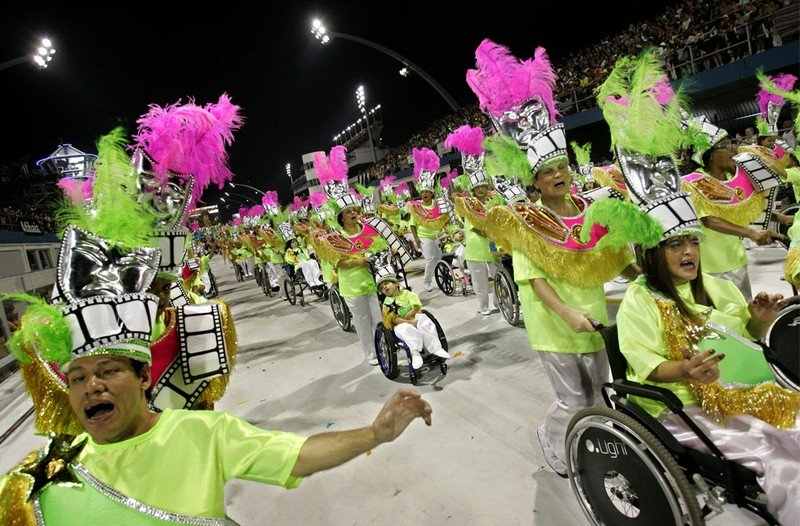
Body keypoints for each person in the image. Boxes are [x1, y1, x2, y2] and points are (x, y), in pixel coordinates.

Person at [0, 349, 432, 523]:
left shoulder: (203, 432)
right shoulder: (46, 476)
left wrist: (376, 433)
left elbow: (298, 455)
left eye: (108, 371)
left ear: (144, 377)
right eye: (77, 379)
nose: (91, 386)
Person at [468, 41, 639, 477]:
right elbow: (533, 280)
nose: (559, 175)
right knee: (573, 399)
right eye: (548, 172)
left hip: (593, 315)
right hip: (554, 322)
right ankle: (552, 436)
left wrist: (642, 276)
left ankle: (598, 448)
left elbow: (613, 254)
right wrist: (566, 313)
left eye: (562, 166)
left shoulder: (589, 206)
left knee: (603, 391)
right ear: (535, 182)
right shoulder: (527, 220)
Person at [616, 235, 799, 525]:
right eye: (676, 245)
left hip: (737, 388)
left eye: (694, 243)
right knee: (777, 458)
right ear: (652, 253)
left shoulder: (716, 286)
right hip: (681, 405)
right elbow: (647, 364)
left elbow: (742, 339)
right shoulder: (640, 299)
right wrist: (685, 370)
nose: (689, 252)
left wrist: (759, 320)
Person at [446, 125, 497, 315]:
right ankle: (483, 307)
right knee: (479, 279)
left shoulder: (493, 200)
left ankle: (500, 303)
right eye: (478, 188)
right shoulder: (466, 203)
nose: (481, 190)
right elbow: (456, 204)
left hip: (493, 243)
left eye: (484, 186)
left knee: (497, 274)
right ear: (473, 189)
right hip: (475, 244)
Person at [376, 262, 450, 370]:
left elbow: (416, 306)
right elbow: (394, 319)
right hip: (401, 323)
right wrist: (410, 322)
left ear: (396, 283)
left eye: (387, 283)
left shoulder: (408, 294)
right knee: (405, 329)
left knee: (425, 321)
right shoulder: (387, 303)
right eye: (382, 288)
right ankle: (415, 353)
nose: (385, 287)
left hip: (414, 317)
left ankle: (436, 348)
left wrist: (412, 315)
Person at [409, 147, 449, 292]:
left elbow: (445, 218)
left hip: (438, 235)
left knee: (439, 258)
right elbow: (412, 225)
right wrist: (416, 239)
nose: (425, 194)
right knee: (431, 258)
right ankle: (426, 282)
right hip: (424, 237)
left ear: (431, 193)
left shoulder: (437, 204)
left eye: (427, 192)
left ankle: (439, 278)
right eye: (423, 192)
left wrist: (446, 230)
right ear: (420, 193)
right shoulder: (416, 207)